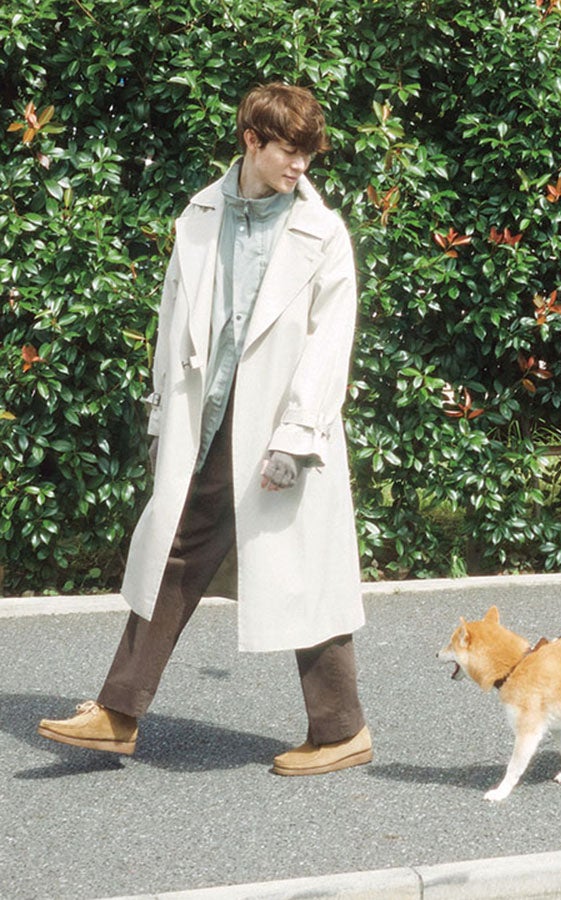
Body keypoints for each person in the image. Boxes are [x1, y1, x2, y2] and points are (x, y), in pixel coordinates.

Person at [37, 83, 371, 775]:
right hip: (208, 419)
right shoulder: (200, 214)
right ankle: (121, 713)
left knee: (298, 570)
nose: (300, 167)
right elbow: (170, 320)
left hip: (277, 428)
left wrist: (296, 437)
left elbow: (329, 344)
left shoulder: (322, 234)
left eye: (308, 154)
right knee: (181, 556)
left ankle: (336, 731)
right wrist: (165, 411)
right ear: (252, 140)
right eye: (288, 151)